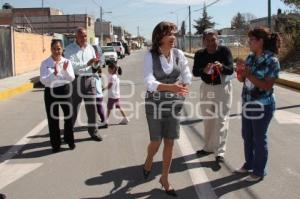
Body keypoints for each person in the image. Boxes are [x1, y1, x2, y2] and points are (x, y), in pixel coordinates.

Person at [143, 21, 192, 197]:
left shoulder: (178, 54)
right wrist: (171, 87)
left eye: (174, 34)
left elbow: (186, 73)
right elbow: (149, 82)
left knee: (170, 142)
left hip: (174, 103)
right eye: (169, 34)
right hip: (155, 103)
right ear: (159, 37)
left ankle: (165, 178)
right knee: (156, 142)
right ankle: (149, 159)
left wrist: (185, 84)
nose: (173, 37)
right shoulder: (150, 55)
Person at [235, 28, 281, 182]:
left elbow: (267, 85)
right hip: (247, 102)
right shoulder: (250, 57)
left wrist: (249, 74)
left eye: (251, 40)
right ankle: (249, 164)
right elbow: (242, 80)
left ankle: (259, 171)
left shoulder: (271, 60)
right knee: (247, 135)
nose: (248, 42)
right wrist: (241, 72)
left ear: (260, 41)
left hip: (262, 105)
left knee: (259, 138)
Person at [192, 28, 234, 164]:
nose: (211, 43)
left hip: (222, 88)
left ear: (218, 39)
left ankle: (220, 152)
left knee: (222, 120)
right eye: (208, 40)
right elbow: (195, 72)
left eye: (213, 39)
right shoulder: (199, 54)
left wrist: (221, 67)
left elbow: (230, 69)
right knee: (208, 119)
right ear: (204, 41)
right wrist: (203, 69)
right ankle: (209, 147)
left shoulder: (224, 51)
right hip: (207, 88)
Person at [64, 27, 103, 141]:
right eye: (81, 36)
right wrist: (87, 63)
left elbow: (93, 65)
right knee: (74, 109)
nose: (83, 38)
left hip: (89, 79)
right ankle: (68, 134)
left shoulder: (90, 48)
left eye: (85, 36)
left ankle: (93, 132)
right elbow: (71, 65)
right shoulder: (69, 49)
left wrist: (96, 65)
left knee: (92, 108)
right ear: (76, 36)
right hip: (76, 80)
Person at [40, 39, 75, 152]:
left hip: (64, 90)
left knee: (69, 117)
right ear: (51, 49)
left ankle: (70, 141)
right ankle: (56, 145)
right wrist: (53, 74)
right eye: (54, 49)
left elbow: (71, 78)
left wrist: (64, 71)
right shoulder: (45, 63)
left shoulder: (67, 62)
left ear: (62, 49)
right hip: (50, 92)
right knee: (53, 119)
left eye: (59, 48)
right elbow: (43, 81)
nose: (57, 51)